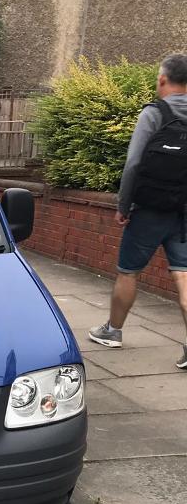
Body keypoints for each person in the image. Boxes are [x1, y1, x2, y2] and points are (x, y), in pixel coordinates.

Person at [89, 53, 187, 369]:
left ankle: (112, 331)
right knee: (184, 274)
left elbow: (133, 164)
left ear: (162, 80)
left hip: (148, 209)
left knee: (128, 270)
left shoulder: (154, 113)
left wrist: (123, 205)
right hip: (183, 213)